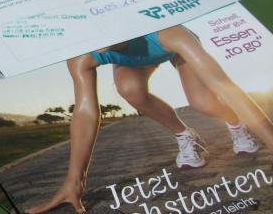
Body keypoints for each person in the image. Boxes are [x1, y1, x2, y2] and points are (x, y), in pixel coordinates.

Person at [26, 26, 273, 214]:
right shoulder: (82, 55)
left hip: (164, 45)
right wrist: (74, 181)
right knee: (129, 89)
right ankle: (186, 136)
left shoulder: (171, 33)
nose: (97, 45)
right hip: (133, 59)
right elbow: (85, 114)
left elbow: (224, 86)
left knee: (203, 102)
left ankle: (236, 125)